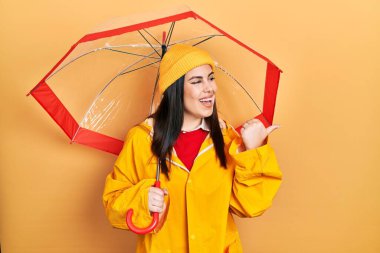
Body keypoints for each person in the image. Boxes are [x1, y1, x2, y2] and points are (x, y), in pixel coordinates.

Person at [102, 44, 282, 253]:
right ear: (175, 90)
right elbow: (112, 203)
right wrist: (142, 199)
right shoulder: (142, 140)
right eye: (197, 81)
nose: (210, 88)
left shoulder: (226, 139)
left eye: (211, 78)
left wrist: (253, 151)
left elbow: (251, 206)